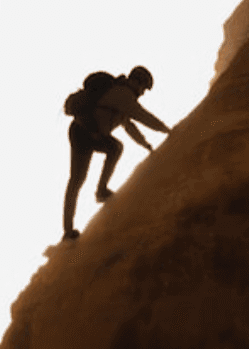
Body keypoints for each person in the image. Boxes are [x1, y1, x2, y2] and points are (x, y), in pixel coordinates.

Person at [61, 65, 169, 241]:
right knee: (77, 180)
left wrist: (146, 145)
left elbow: (130, 126)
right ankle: (68, 230)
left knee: (115, 148)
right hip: (82, 133)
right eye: (143, 88)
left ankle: (101, 190)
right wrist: (167, 130)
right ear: (136, 82)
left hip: (93, 133)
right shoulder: (122, 95)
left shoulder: (122, 95)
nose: (142, 93)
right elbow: (143, 116)